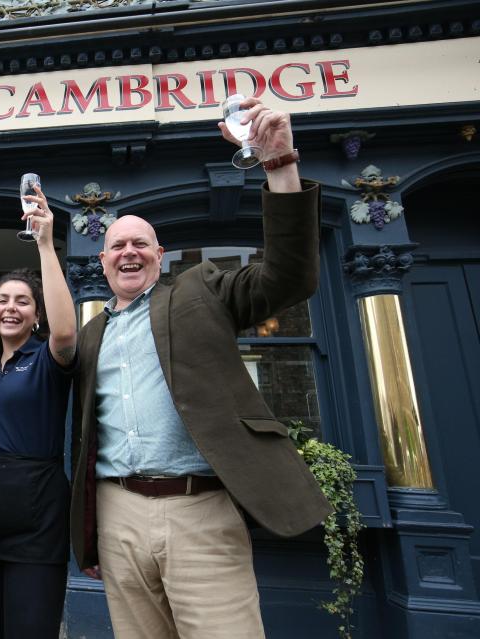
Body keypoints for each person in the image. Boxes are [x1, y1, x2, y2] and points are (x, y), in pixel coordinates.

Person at [69, 97, 334, 639]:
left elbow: (287, 277)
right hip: (116, 510)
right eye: (116, 245)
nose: (128, 252)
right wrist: (89, 531)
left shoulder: (200, 289)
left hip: (200, 508)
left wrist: (280, 165)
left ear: (159, 255)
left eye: (140, 244)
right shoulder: (90, 334)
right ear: (101, 261)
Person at [0, 184, 77, 639]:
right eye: (3, 300)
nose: (11, 308)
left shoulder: (48, 359)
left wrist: (45, 243)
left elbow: (66, 334)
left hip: (37, 517)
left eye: (23, 301)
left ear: (37, 316)